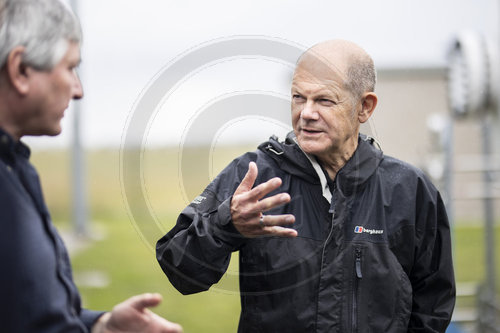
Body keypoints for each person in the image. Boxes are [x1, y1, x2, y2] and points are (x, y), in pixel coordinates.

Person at [156, 39, 456, 332]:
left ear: (364, 107)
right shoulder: (253, 176)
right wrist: (226, 226)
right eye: (299, 97)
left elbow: (433, 304)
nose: (306, 113)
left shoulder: (409, 190)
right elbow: (180, 272)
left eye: (324, 100)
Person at [0, 0, 182, 332]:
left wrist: (102, 324)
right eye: (70, 68)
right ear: (21, 70)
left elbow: (30, 312)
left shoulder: (17, 168)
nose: (79, 90)